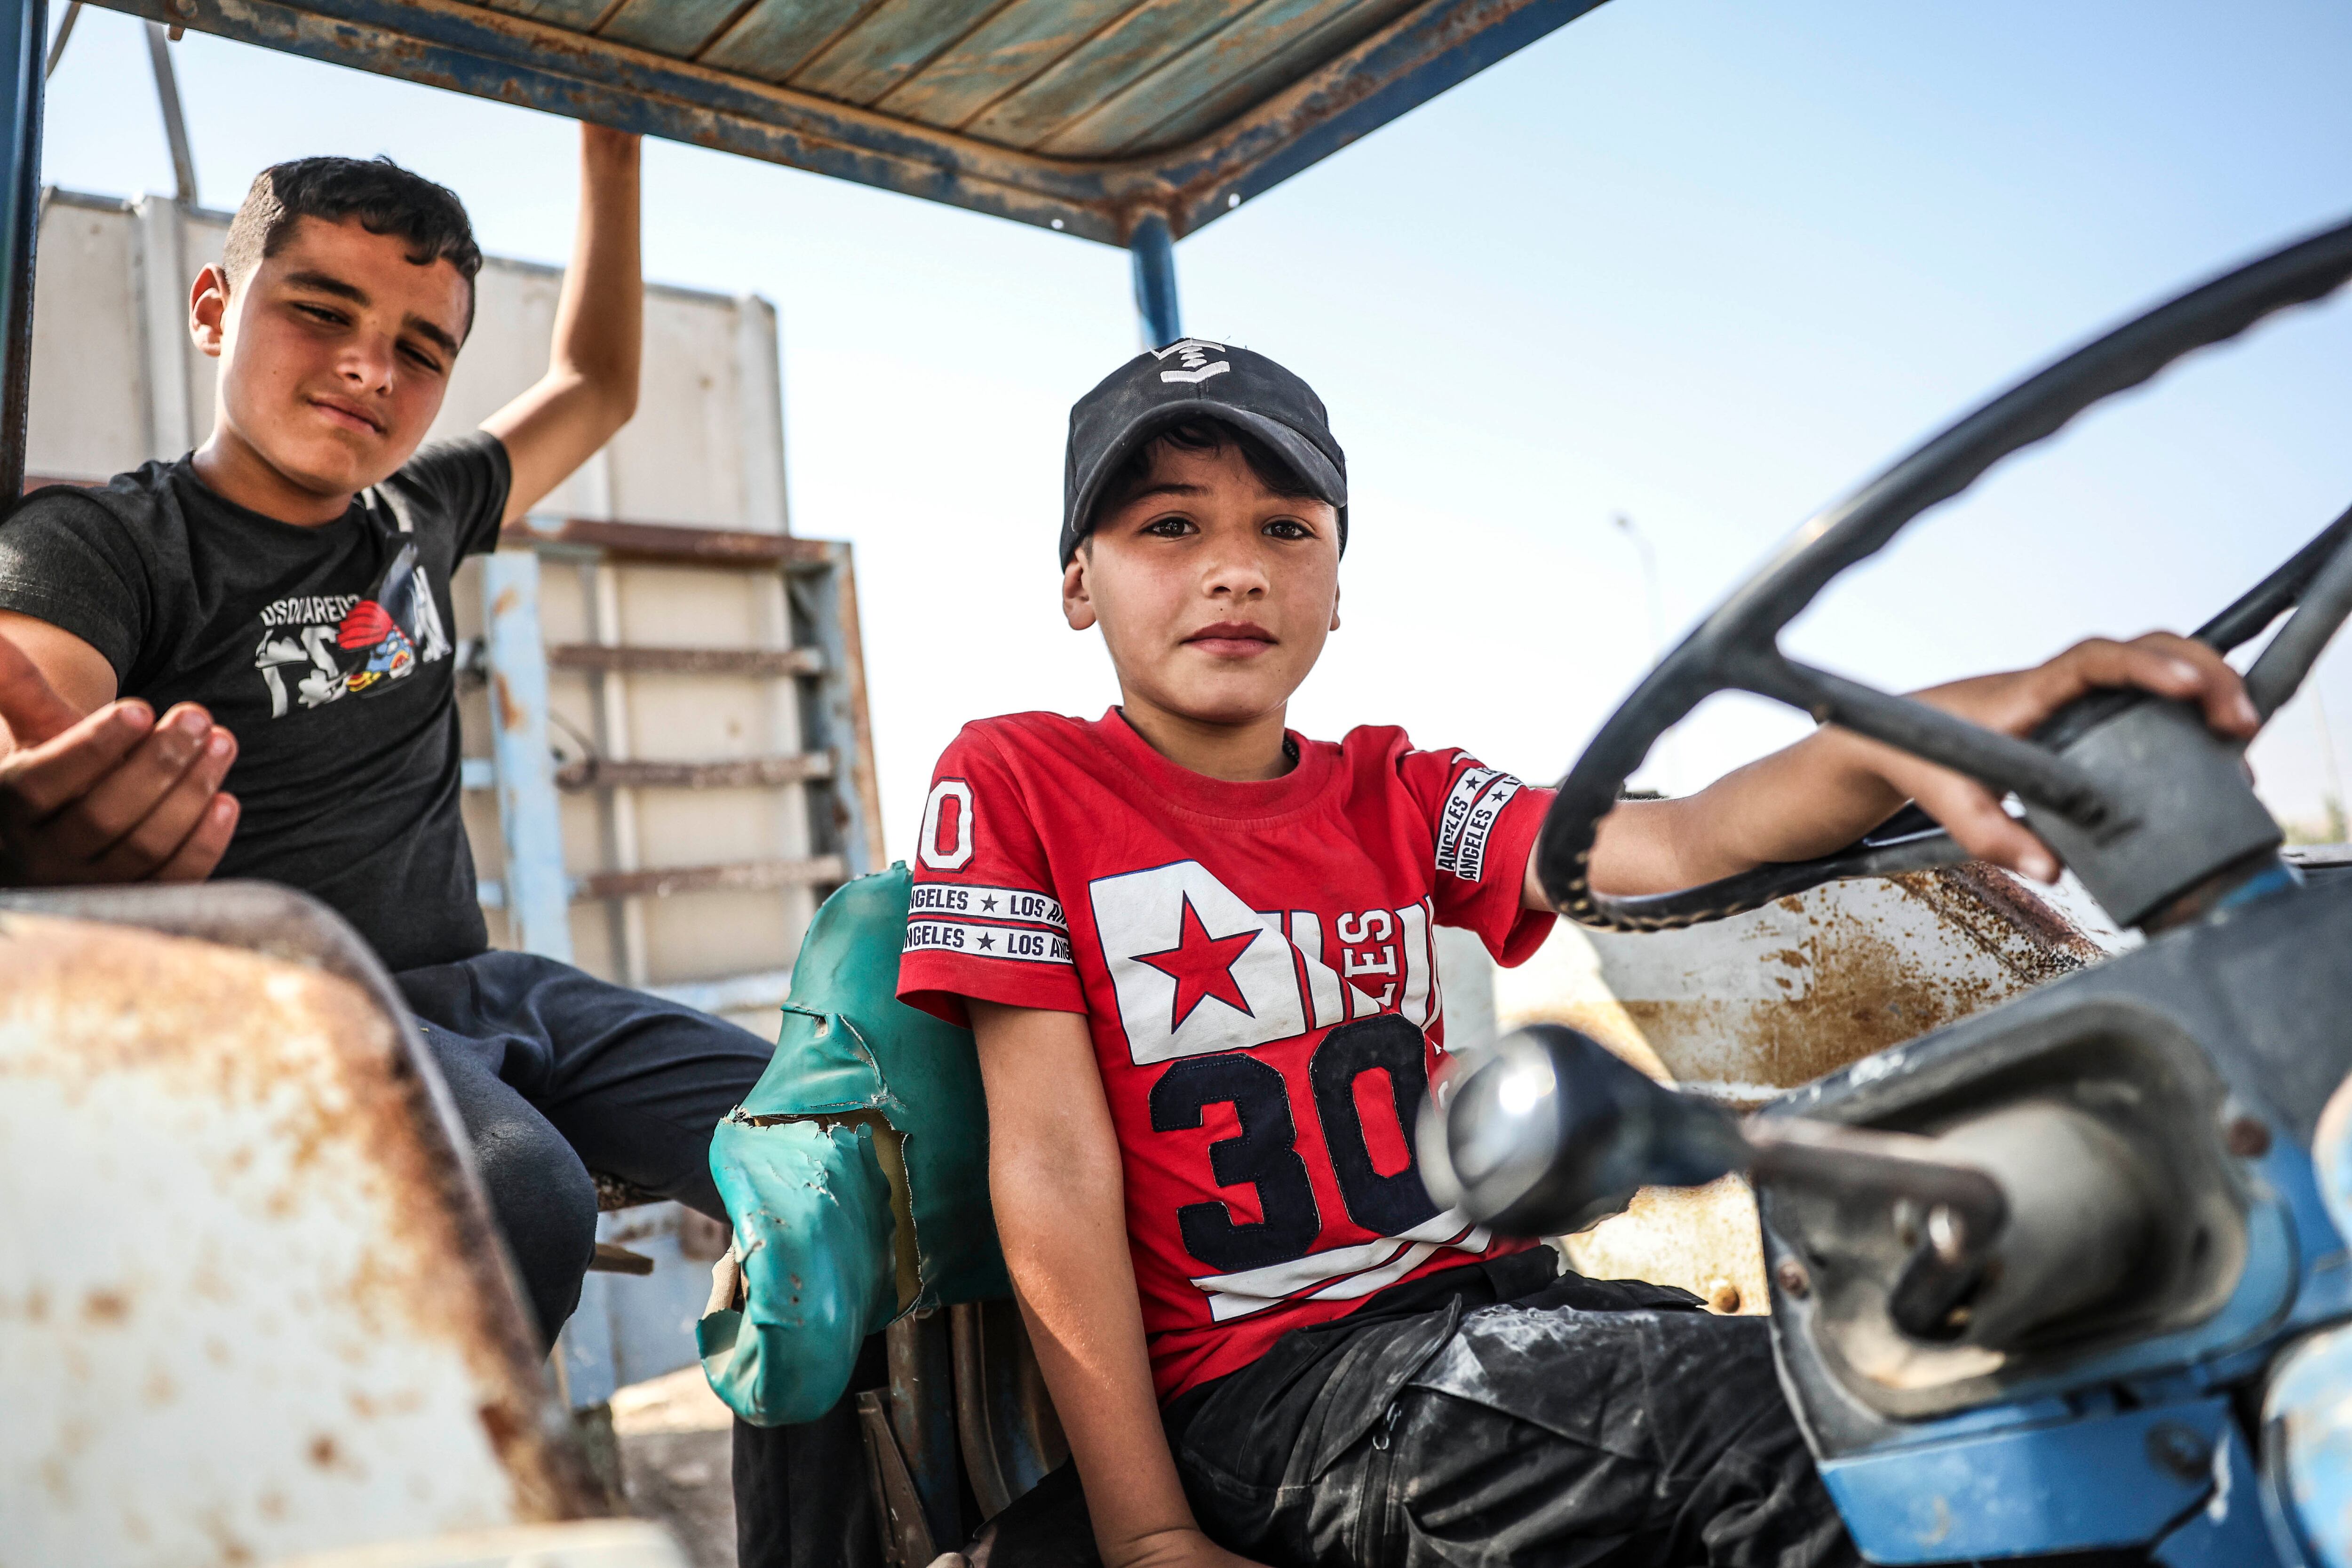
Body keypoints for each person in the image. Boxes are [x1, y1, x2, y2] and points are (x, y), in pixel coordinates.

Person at [894, 341, 2264, 1568]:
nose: (1235, 566)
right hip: (1285, 1395)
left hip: (1491, 1317)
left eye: (1286, 527)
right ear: (1080, 583)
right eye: (1168, 526)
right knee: (1811, 1449)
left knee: (1935, 1370)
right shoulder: (1015, 779)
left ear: (1336, 583)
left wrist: (1941, 725)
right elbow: (1056, 1164)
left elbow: (1678, 841)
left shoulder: (1401, 789)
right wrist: (1145, 1535)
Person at [0, 127, 774, 1354]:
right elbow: (37, 738)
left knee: (826, 1147)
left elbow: (600, 387)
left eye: (422, 350)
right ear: (215, 308)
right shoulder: (100, 547)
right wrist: (36, 822)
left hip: (480, 984)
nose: (370, 367)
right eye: (320, 312)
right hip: (291, 1009)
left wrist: (612, 149)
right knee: (518, 1189)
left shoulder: (423, 508)